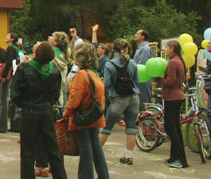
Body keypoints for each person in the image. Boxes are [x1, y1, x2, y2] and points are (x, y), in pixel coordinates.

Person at [12, 42, 67, 179]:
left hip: (29, 112)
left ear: (35, 54)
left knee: (28, 152)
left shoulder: (24, 69)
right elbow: (56, 93)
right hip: (47, 112)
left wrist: (23, 105)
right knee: (53, 150)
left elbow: (15, 94)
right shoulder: (54, 69)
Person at [64, 44, 109, 179]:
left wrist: (66, 112)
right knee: (95, 145)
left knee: (85, 147)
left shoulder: (81, 75)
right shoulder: (94, 74)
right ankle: (103, 175)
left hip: (82, 115)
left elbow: (74, 98)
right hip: (95, 115)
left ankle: (85, 175)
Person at [99, 38, 139, 165]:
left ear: (113, 49)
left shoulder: (110, 65)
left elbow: (106, 83)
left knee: (106, 128)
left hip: (118, 99)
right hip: (133, 97)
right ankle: (128, 156)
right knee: (131, 127)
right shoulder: (132, 63)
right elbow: (136, 80)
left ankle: (96, 154)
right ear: (127, 49)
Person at [158, 40, 188, 169]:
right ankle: (174, 156)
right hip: (177, 96)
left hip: (172, 97)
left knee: (171, 128)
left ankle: (181, 160)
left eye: (167, 47)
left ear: (173, 49)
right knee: (175, 127)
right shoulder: (179, 61)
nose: (165, 49)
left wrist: (160, 79)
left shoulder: (172, 62)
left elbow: (170, 81)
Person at [0, 32, 21, 133]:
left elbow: (9, 62)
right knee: (10, 99)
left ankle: (2, 126)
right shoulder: (17, 49)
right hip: (15, 75)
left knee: (4, 99)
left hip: (8, 75)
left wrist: (4, 75)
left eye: (7, 36)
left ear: (12, 39)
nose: (5, 37)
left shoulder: (11, 48)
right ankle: (14, 125)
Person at [132, 29, 152, 109]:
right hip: (139, 79)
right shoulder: (139, 48)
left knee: (144, 102)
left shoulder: (145, 49)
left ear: (143, 37)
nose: (135, 35)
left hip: (143, 79)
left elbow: (141, 65)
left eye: (137, 34)